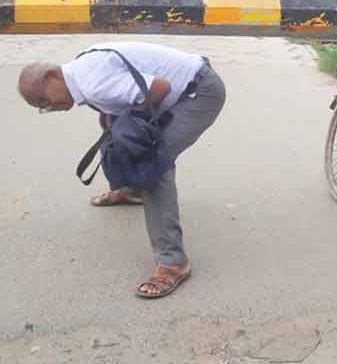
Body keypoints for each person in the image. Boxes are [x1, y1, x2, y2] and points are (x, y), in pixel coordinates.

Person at [17, 42, 226, 297]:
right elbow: (128, 97)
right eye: (42, 107)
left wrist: (128, 120)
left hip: (199, 93)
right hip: (188, 82)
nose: (49, 107)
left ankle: (173, 262)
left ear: (52, 77)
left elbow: (160, 88)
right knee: (117, 132)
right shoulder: (82, 71)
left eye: (43, 99)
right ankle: (133, 190)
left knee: (153, 163)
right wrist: (117, 119)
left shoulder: (93, 83)